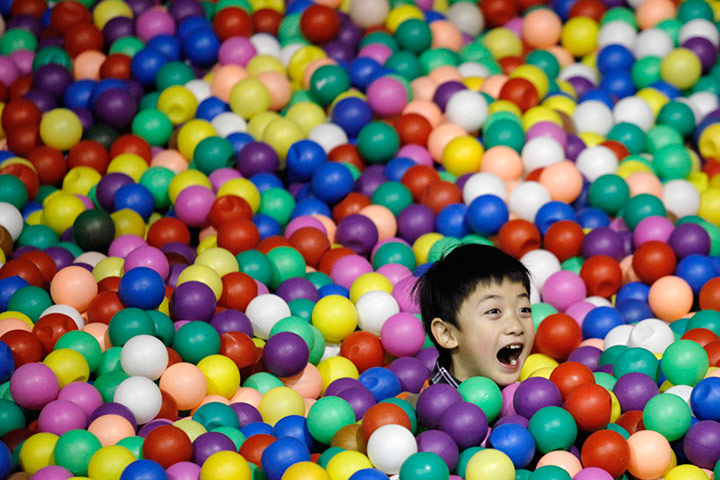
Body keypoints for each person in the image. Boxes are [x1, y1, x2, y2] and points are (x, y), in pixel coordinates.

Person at [413, 242, 535, 389]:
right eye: (494, 311)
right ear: (447, 334)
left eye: (524, 310)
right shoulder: (419, 409)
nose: (516, 326)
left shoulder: (531, 401)